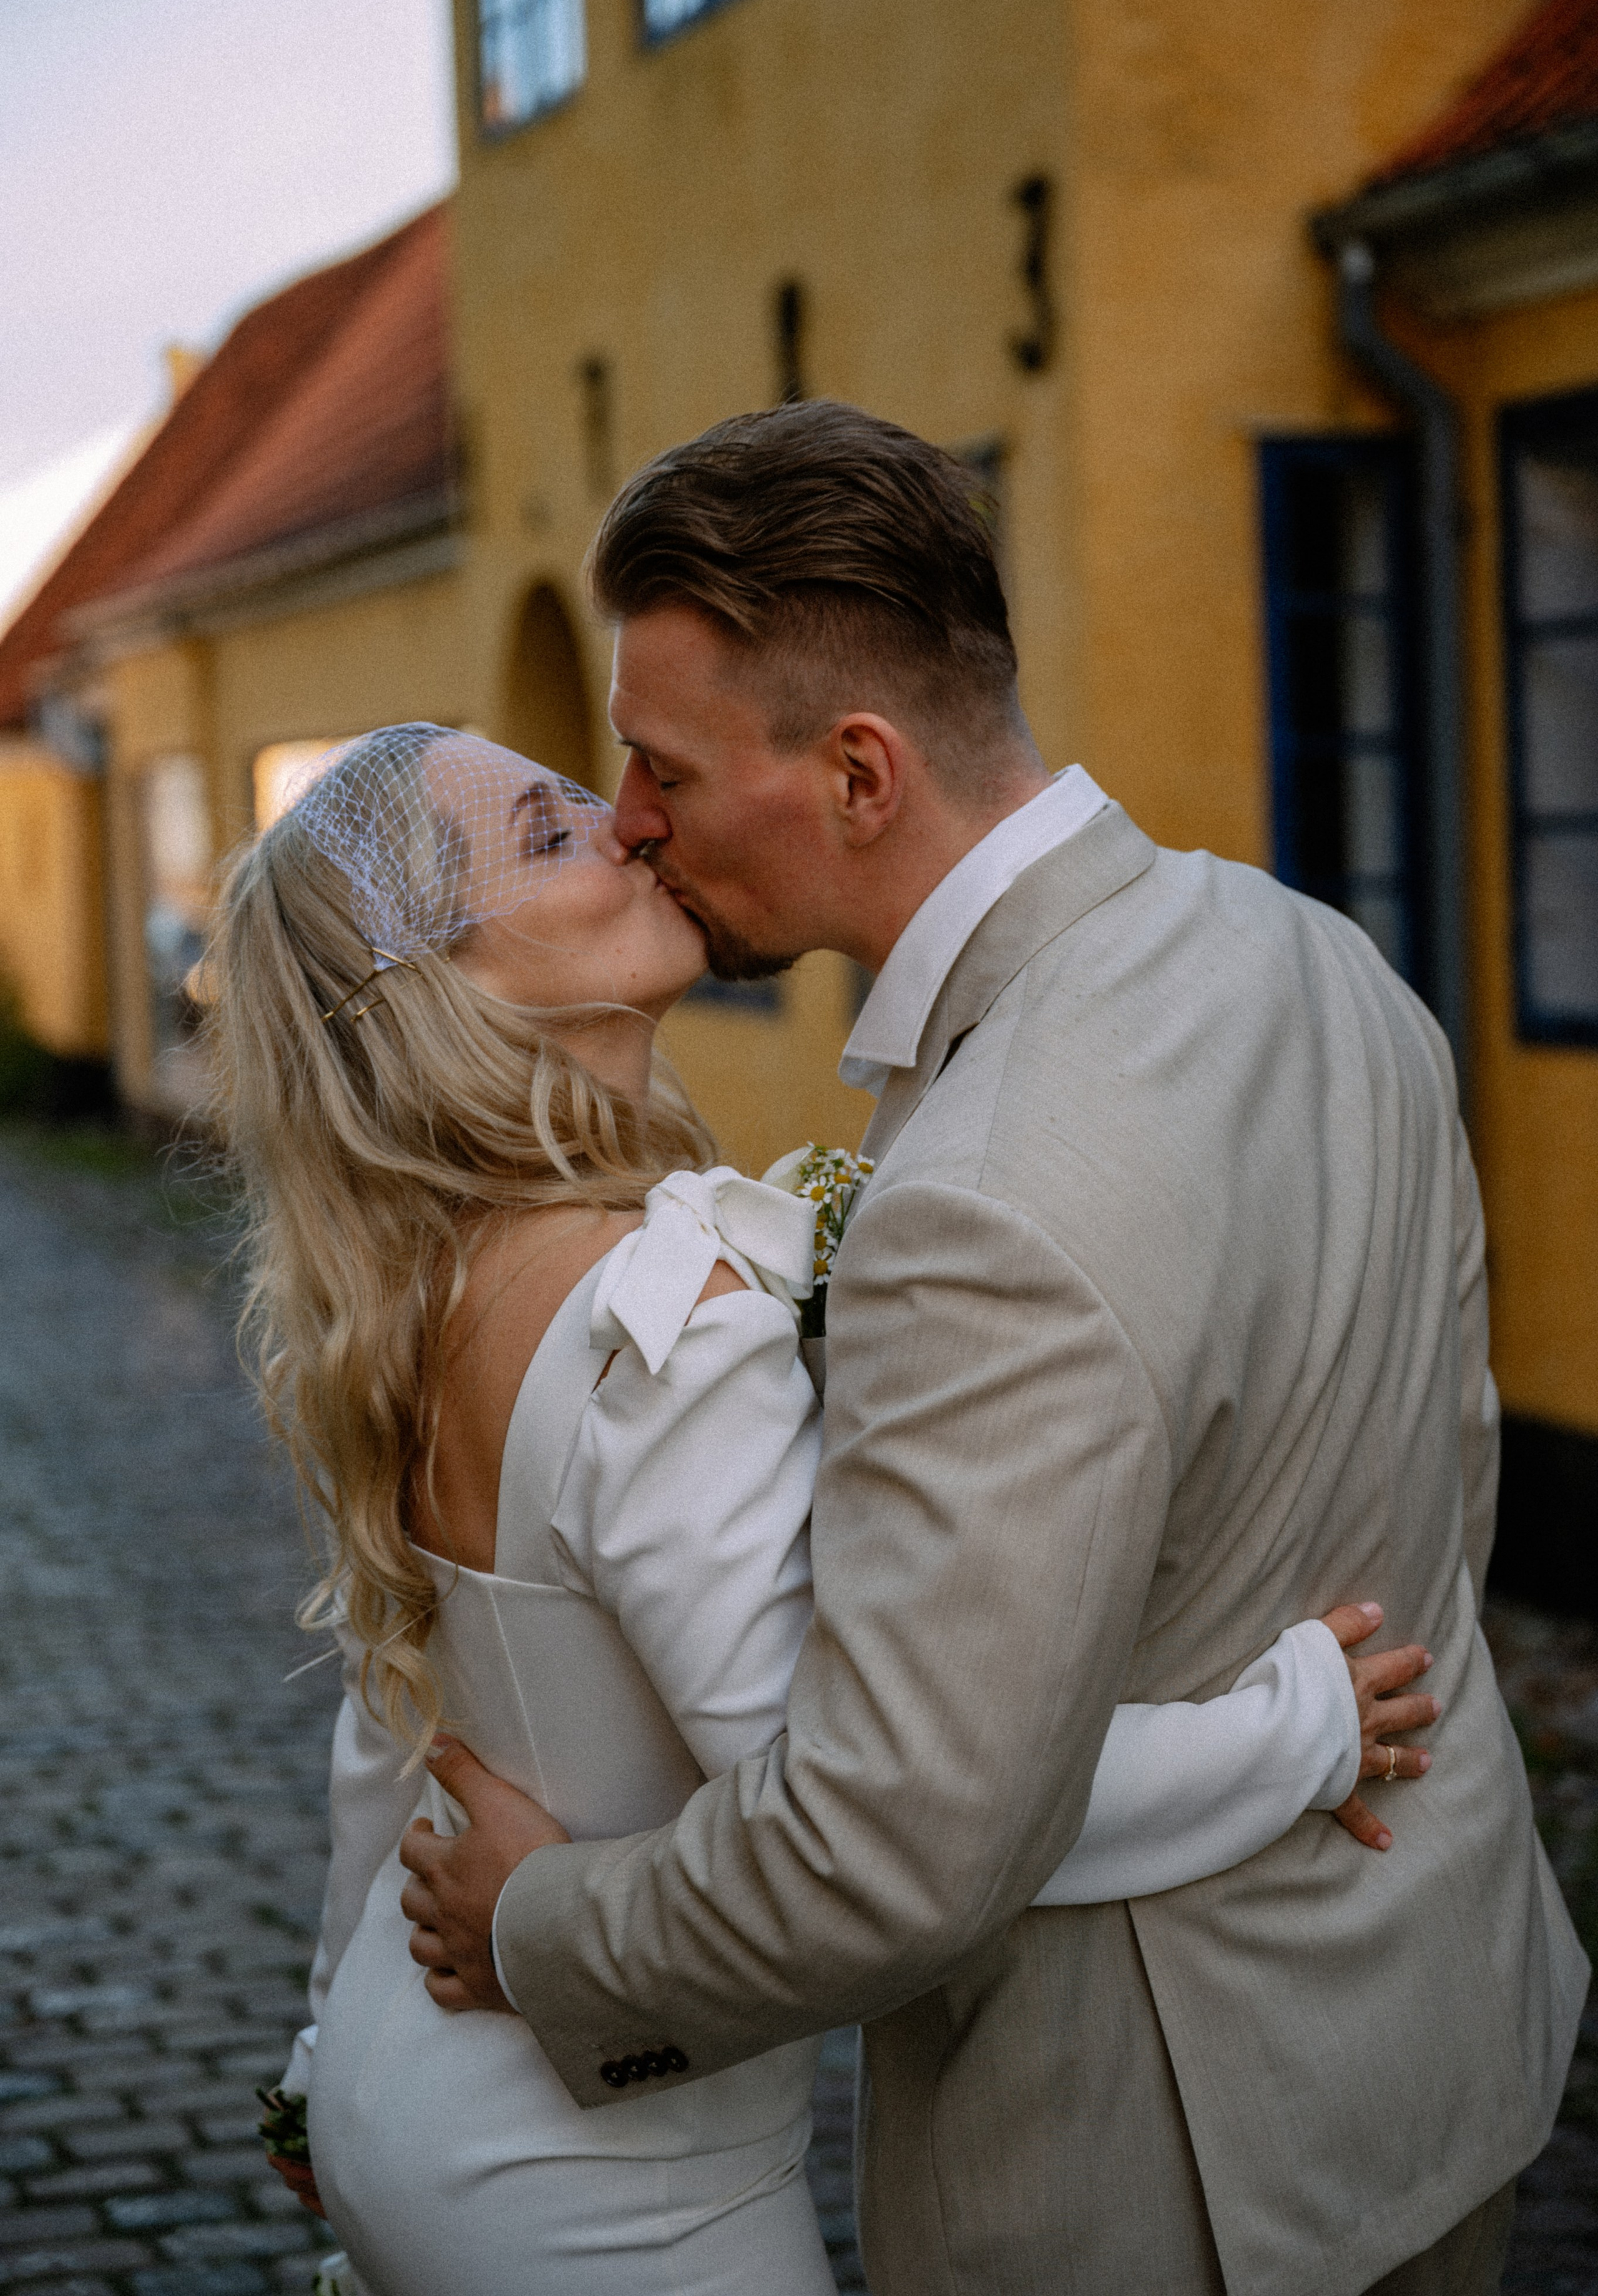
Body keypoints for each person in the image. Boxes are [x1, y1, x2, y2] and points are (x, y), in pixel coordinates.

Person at [403, 402, 1589, 2296]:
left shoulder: (979, 1202)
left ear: (859, 774)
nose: (628, 819)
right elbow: (1440, 1491)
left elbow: (886, 1851)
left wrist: (543, 1925)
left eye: (662, 767)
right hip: (1446, 2050)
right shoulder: (1324, 961)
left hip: (1169, 2176)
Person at [213, 721, 1432, 2296]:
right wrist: (1293, 1729)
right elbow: (882, 1804)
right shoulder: (655, 1312)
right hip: (597, 2190)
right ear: (453, 975)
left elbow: (389, 1747)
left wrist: (318, 2055)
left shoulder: (408, 1292)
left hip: (403, 2083)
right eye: (549, 826)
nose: (627, 824)